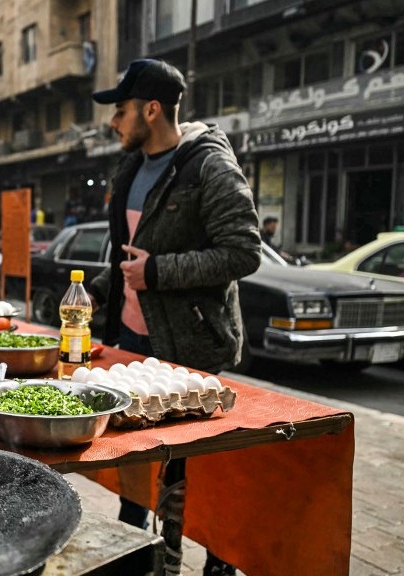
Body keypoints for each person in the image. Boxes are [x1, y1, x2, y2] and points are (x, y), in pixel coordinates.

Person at [88, 58, 261, 576]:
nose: (113, 123)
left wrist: (159, 272)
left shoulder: (209, 165)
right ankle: (138, 554)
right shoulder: (130, 168)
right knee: (136, 467)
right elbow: (127, 257)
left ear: (152, 109)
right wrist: (98, 294)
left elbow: (242, 253)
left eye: (120, 112)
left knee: (188, 474)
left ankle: (212, 562)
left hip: (189, 350)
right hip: (132, 345)